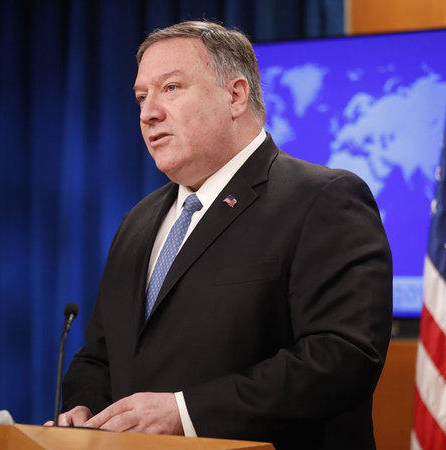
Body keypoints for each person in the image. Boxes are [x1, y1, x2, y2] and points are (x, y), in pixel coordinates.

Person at [54, 20, 393, 449]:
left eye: (171, 88)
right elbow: (99, 357)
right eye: (142, 96)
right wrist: (89, 410)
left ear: (235, 95)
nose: (148, 112)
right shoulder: (138, 222)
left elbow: (341, 359)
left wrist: (187, 413)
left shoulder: (323, 199)